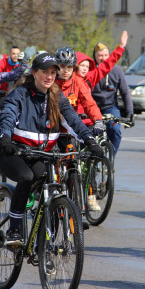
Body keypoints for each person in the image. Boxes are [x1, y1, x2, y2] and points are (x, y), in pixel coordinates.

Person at [0, 52, 104, 245]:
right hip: (14, 151)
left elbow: (73, 120)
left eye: (53, 72)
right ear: (34, 73)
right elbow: (8, 116)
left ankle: (43, 244)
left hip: (39, 154)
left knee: (52, 186)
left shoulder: (56, 96)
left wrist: (90, 141)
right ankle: (13, 230)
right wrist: (5, 137)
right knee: (26, 177)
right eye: (45, 72)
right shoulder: (20, 94)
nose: (49, 76)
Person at [54, 46, 104, 214]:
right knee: (47, 166)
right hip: (50, 130)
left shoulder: (78, 82)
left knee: (73, 165)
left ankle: (78, 207)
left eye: (69, 67)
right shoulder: (51, 80)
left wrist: (98, 121)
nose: (65, 71)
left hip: (70, 131)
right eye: (61, 66)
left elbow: (89, 103)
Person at [91, 41, 133, 156]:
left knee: (115, 131)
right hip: (93, 107)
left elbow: (125, 92)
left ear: (110, 56)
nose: (103, 58)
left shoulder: (117, 70)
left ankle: (110, 158)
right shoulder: (90, 70)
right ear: (94, 56)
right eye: (100, 55)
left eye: (105, 55)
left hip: (111, 107)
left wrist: (129, 114)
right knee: (88, 133)